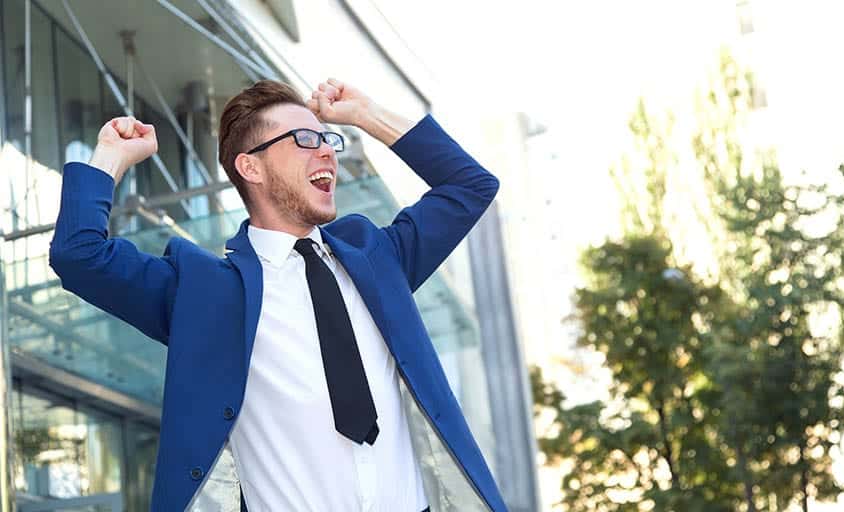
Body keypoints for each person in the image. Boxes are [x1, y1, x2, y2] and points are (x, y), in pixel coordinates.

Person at [49, 78, 507, 512]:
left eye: (329, 140)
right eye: (306, 140)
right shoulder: (204, 294)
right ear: (251, 166)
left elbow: (469, 186)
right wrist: (110, 157)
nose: (327, 150)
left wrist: (368, 116)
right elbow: (79, 255)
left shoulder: (379, 259)